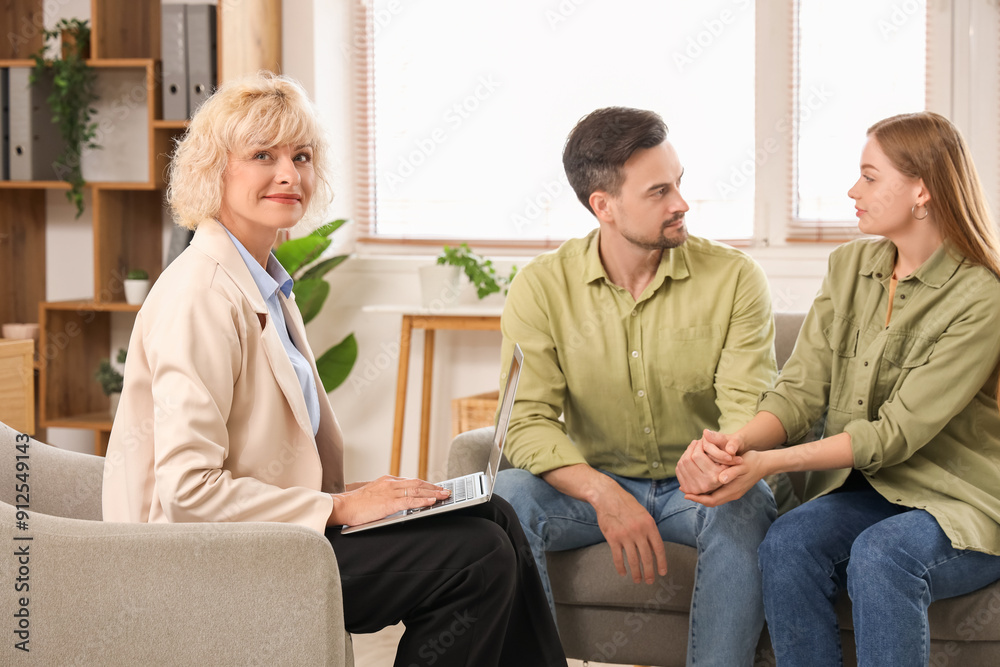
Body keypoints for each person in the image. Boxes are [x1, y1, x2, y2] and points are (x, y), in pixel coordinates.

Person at [101, 72, 565, 667]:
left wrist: (362, 496)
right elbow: (188, 491)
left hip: (272, 533)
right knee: (477, 558)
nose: (290, 174)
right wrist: (341, 507)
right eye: (263, 156)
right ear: (215, 169)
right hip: (208, 560)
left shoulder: (265, 282)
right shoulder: (203, 294)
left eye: (302, 155)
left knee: (491, 513)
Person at [679, 111, 1000, 666]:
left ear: (921, 190)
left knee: (881, 556)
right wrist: (735, 446)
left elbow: (894, 435)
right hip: (871, 493)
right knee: (787, 541)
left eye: (870, 176)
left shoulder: (981, 297)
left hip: (960, 502)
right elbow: (800, 388)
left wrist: (768, 465)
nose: (854, 190)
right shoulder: (850, 267)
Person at [492, 106, 778, 666]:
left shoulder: (735, 278)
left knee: (747, 506)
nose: (681, 204)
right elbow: (526, 421)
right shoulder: (542, 288)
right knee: (508, 497)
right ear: (604, 205)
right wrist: (603, 494)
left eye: (679, 183)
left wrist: (715, 459)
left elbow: (749, 406)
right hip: (587, 488)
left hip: (697, 488)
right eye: (659, 192)